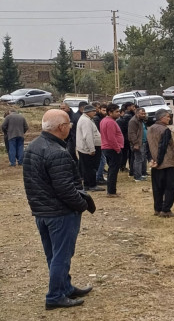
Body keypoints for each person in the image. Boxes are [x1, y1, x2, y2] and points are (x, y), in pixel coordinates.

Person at [23, 109, 93, 310]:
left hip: (43, 212)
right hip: (59, 213)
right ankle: (55, 296)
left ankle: (64, 287)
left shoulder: (34, 146)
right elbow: (66, 189)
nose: (71, 126)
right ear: (61, 127)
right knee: (61, 255)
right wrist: (82, 206)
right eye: (69, 124)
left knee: (54, 255)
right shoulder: (57, 152)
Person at [148, 109, 174, 218]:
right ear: (161, 118)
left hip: (155, 163)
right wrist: (159, 162)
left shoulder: (150, 128)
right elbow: (163, 146)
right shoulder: (165, 130)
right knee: (170, 187)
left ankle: (157, 208)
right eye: (167, 117)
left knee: (157, 187)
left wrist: (151, 160)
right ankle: (166, 210)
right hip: (166, 163)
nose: (169, 118)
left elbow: (148, 146)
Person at [75, 105, 103, 192]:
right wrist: (91, 149)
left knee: (87, 167)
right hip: (87, 149)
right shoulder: (86, 121)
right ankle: (92, 185)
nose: (95, 113)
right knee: (91, 167)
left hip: (84, 148)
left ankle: (87, 184)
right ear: (88, 112)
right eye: (93, 111)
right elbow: (88, 136)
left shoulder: (86, 119)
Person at [100, 104, 124, 197]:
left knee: (111, 170)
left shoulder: (105, 120)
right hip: (112, 149)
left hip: (108, 148)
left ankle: (111, 191)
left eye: (119, 111)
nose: (118, 113)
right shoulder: (110, 122)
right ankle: (111, 192)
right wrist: (117, 149)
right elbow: (111, 138)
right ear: (110, 112)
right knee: (113, 171)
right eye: (116, 112)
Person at [128, 108, 149, 181]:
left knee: (142, 158)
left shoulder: (141, 120)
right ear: (137, 114)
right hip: (137, 143)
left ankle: (142, 173)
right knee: (138, 159)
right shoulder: (133, 121)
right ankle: (137, 176)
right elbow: (132, 133)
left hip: (143, 142)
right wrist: (135, 143)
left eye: (144, 113)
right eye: (142, 114)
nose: (143, 115)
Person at [117, 102, 135, 174]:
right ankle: (124, 166)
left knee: (126, 154)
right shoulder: (128, 117)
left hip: (125, 138)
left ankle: (124, 166)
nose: (134, 108)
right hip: (126, 139)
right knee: (126, 154)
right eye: (132, 107)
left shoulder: (126, 116)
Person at [92, 103, 108, 185]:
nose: (105, 112)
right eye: (103, 110)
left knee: (102, 159)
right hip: (99, 142)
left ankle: (99, 176)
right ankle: (98, 178)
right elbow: (98, 131)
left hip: (102, 141)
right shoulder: (97, 118)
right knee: (102, 160)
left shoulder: (103, 118)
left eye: (106, 110)